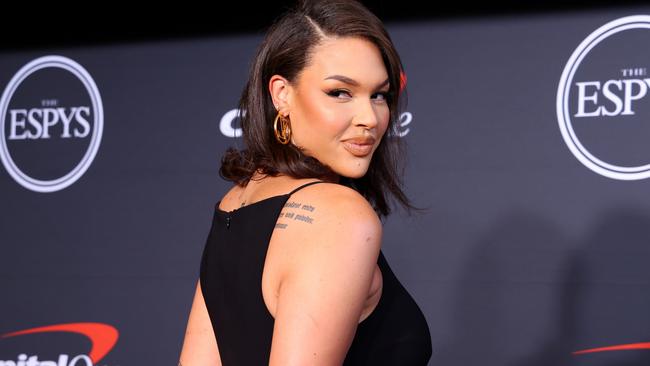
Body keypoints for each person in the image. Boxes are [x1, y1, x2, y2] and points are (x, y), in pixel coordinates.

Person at [179, 0, 432, 364]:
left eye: (378, 95)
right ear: (282, 93)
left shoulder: (234, 201)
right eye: (339, 92)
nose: (370, 118)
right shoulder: (339, 214)